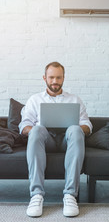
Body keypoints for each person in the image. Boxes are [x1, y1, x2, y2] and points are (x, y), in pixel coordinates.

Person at [18, 62, 92, 218]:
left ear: (64, 78)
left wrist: (77, 128)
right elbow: (24, 126)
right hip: (45, 141)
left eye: (58, 77)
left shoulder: (74, 99)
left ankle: (70, 195)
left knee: (75, 129)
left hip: (68, 141)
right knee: (37, 129)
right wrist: (38, 130)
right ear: (44, 78)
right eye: (51, 77)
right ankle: (36, 195)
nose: (55, 81)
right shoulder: (34, 99)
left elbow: (87, 125)